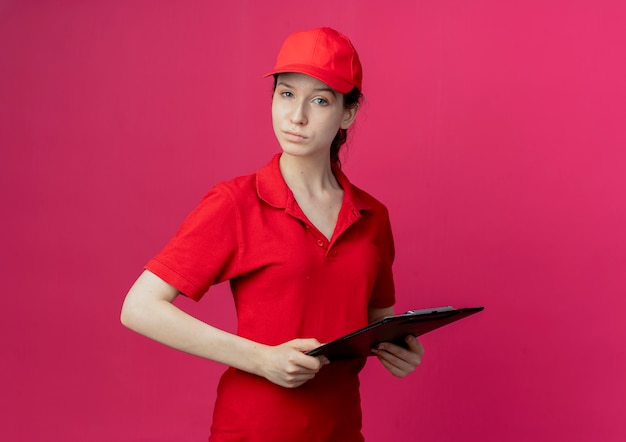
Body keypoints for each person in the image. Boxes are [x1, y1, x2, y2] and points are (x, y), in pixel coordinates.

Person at [121, 26, 424, 442]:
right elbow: (139, 307)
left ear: (347, 115)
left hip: (340, 430)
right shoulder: (236, 202)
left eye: (319, 100)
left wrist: (397, 347)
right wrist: (261, 359)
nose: (296, 116)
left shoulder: (373, 216)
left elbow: (372, 323)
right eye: (286, 94)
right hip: (252, 430)